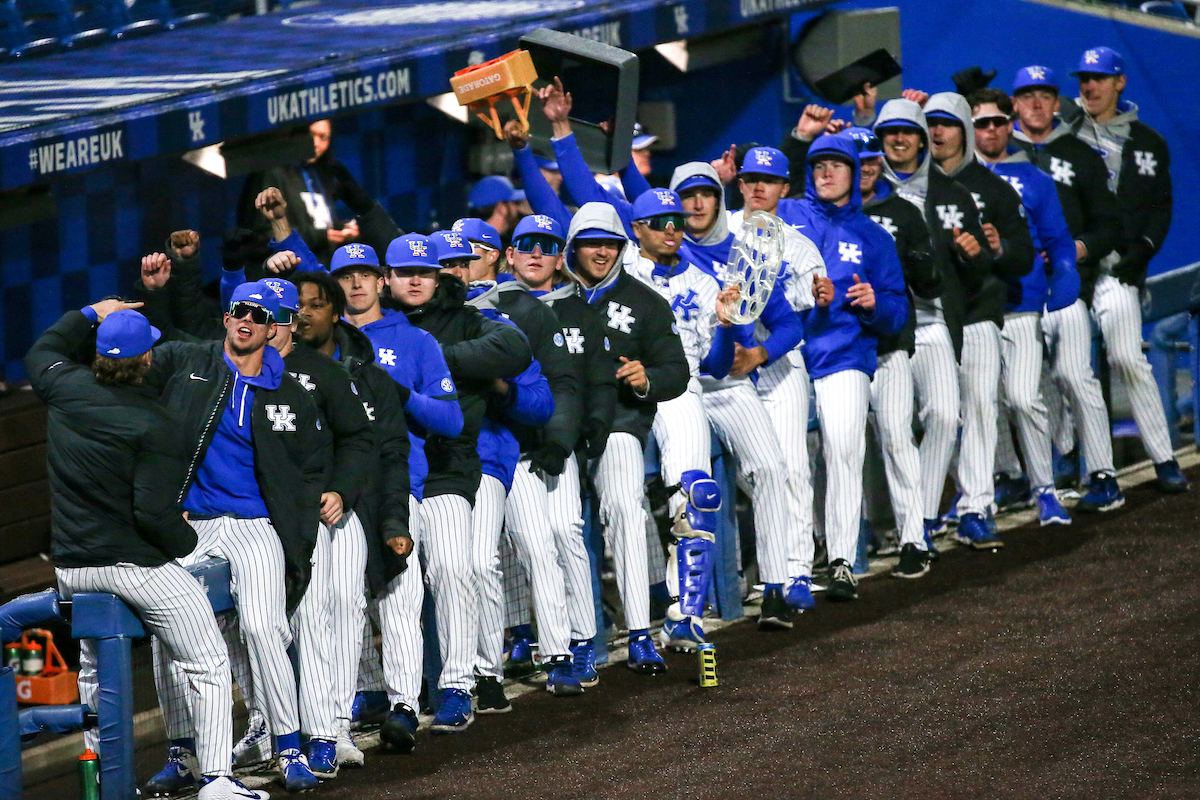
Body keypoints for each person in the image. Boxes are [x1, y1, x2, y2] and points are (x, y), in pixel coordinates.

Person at [26, 302, 269, 800]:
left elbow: (42, 349)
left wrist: (93, 311)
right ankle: (217, 780)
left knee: (94, 665)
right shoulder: (151, 422)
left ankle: (105, 779)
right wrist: (188, 544)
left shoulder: (62, 385)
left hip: (72, 568)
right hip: (132, 568)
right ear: (146, 360)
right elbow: (154, 515)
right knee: (206, 661)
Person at [142, 281, 326, 793]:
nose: (247, 319)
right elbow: (135, 362)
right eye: (240, 310)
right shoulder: (192, 366)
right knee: (168, 633)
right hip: (193, 523)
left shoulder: (289, 393)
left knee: (266, 629)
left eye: (260, 315)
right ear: (226, 317)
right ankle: (183, 751)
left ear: (274, 330)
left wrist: (298, 526)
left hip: (256, 525)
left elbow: (311, 469)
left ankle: (289, 747)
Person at [457, 216, 616, 686]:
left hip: (543, 444)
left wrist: (562, 439)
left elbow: (570, 383)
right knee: (507, 553)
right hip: (495, 448)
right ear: (510, 253)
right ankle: (523, 641)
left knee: (561, 534)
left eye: (546, 246)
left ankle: (578, 642)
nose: (535, 253)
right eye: (526, 244)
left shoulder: (536, 309)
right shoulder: (460, 306)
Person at [384, 232, 533, 730]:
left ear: (438, 275)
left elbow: (514, 349)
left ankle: (457, 684)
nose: (415, 281)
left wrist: (430, 359)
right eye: (405, 273)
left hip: (450, 465)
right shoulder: (371, 325)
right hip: (391, 472)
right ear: (388, 278)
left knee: (453, 571)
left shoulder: (466, 314)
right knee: (395, 587)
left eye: (423, 273)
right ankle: (396, 697)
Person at [785, 116, 944, 577]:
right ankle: (808, 555)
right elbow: (761, 194)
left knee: (888, 439)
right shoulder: (792, 215)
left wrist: (874, 305)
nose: (828, 173)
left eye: (842, 164)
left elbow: (902, 303)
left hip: (874, 348)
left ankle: (908, 538)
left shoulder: (883, 229)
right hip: (794, 352)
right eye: (820, 165)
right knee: (798, 459)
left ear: (861, 170)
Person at [430, 224, 583, 700]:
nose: (459, 268)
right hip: (445, 464)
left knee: (535, 548)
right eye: (449, 262)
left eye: (468, 257)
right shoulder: (412, 324)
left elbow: (544, 397)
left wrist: (499, 386)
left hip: (507, 453)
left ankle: (559, 652)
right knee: (472, 567)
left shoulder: (509, 313)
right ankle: (484, 669)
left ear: (494, 257)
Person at [330, 242, 464, 753]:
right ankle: (355, 698)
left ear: (381, 281)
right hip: (338, 490)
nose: (357, 284)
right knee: (340, 601)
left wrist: (400, 393)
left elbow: (451, 420)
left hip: (397, 481)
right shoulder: (323, 344)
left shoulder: (415, 341)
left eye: (365, 274)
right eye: (346, 276)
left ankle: (406, 702)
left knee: (400, 598)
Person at [289, 267, 411, 768]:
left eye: (314, 304)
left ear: (335, 314)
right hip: (287, 514)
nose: (301, 314)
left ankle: (336, 725)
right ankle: (293, 726)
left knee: (345, 610)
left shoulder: (365, 377)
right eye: (294, 305)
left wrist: (391, 519)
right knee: (302, 622)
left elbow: (382, 450)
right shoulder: (260, 373)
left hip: (352, 510)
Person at [564, 201, 690, 674]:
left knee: (624, 509)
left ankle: (639, 631)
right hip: (558, 435)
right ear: (573, 248)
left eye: (610, 243)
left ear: (622, 247)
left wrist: (646, 378)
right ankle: (576, 639)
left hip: (619, 424)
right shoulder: (551, 300)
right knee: (561, 530)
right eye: (592, 243)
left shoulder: (646, 302)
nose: (601, 252)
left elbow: (677, 370)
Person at [871, 97, 997, 551]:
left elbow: (979, 271)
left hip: (933, 320)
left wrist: (976, 256)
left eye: (907, 132)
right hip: (882, 329)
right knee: (894, 429)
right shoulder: (866, 191)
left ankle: (921, 515)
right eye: (889, 133)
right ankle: (907, 524)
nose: (898, 140)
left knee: (946, 413)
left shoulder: (953, 195)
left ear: (923, 141)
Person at [620, 189, 741, 648]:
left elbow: (714, 366)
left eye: (675, 221)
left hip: (679, 385)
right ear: (637, 230)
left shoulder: (706, 283)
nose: (670, 229)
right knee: (623, 505)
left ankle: (684, 612)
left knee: (699, 494)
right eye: (658, 222)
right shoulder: (621, 267)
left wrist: (727, 328)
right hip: (620, 390)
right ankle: (627, 621)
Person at [1062, 46, 1185, 493]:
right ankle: (1081, 463)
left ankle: (1164, 457)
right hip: (1072, 269)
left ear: (1119, 82)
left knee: (1127, 357)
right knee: (1065, 368)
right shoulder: (1064, 130)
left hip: (1116, 270)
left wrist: (1145, 249)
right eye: (1083, 78)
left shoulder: (1148, 141)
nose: (1089, 86)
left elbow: (1161, 205)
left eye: (1098, 78)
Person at [921, 90, 1036, 548]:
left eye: (947, 123)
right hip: (931, 317)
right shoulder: (912, 190)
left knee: (981, 408)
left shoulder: (993, 188)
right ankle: (925, 511)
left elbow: (1023, 256)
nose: (937, 132)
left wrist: (997, 249)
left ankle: (976, 505)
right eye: (930, 123)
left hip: (979, 312)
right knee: (937, 414)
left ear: (964, 132)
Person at [1008, 64, 1124, 508]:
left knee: (1074, 374)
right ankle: (1043, 470)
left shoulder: (1080, 154)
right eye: (1027, 95)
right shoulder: (997, 158)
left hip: (1064, 287)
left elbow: (1109, 225)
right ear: (1015, 104)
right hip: (1016, 294)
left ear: (1058, 104)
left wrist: (1073, 250)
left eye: (1045, 95)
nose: (1036, 103)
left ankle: (1102, 473)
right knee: (1024, 385)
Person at [970, 85, 1080, 527]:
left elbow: (1057, 240)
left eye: (998, 121)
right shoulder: (954, 181)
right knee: (979, 402)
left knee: (1022, 397)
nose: (991, 130)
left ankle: (1045, 489)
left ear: (1010, 122)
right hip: (975, 306)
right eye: (982, 123)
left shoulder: (1036, 179)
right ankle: (988, 489)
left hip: (1022, 300)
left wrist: (1065, 277)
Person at [238, 119, 362, 264]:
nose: (315, 143)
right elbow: (262, 233)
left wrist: (340, 228)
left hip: (321, 268)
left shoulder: (321, 174)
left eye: (323, 137)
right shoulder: (272, 172)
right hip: (287, 272)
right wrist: (321, 237)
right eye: (310, 135)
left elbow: (315, 222)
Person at [467, 176, 527, 242]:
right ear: (501, 209)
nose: (515, 208)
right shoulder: (492, 246)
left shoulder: (467, 241)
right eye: (514, 203)